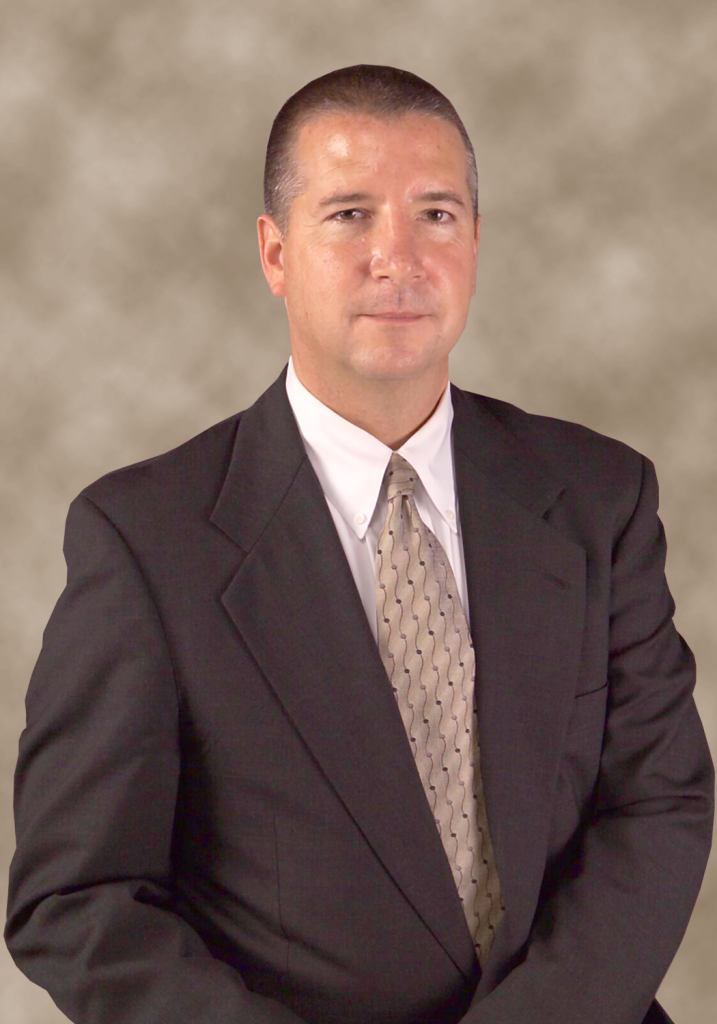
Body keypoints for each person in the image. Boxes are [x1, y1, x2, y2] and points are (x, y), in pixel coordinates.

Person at [5, 64, 714, 1024]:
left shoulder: (598, 496)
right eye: (348, 214)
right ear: (274, 253)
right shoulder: (144, 542)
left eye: (436, 215)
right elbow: (76, 902)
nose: (399, 257)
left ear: (475, 241)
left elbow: (658, 802)